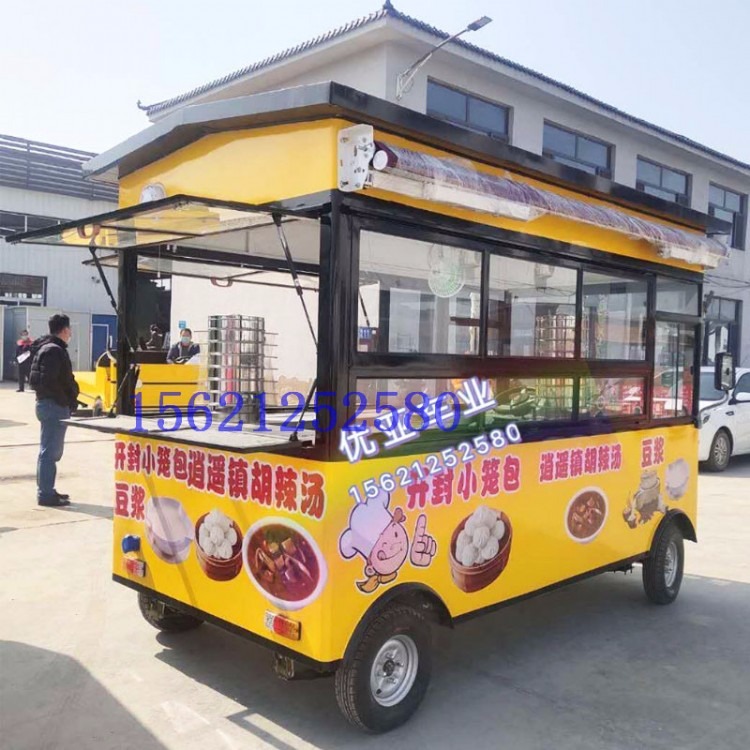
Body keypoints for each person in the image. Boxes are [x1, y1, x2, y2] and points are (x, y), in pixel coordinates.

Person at [28, 314, 80, 507]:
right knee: (50, 452)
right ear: (65, 330)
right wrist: (64, 400)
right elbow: (49, 380)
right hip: (53, 406)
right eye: (70, 330)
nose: (71, 333)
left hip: (49, 405)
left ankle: (47, 489)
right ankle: (45, 494)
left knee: (49, 451)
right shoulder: (54, 350)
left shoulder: (46, 348)